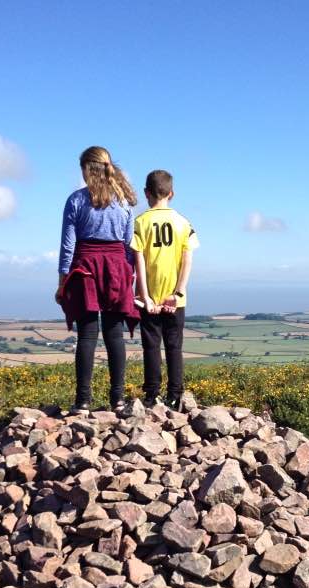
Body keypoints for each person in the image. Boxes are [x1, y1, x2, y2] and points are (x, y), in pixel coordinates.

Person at [56, 146, 139, 411]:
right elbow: (128, 245)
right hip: (117, 267)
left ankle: (82, 400)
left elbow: (68, 246)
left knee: (87, 336)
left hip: (85, 268)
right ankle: (118, 399)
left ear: (85, 169)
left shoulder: (76, 200)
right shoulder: (125, 202)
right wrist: (129, 275)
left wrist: (62, 281)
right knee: (114, 334)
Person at [131, 169, 198, 410]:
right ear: (172, 193)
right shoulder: (183, 222)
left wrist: (145, 296)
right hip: (175, 298)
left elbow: (138, 261)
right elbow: (187, 260)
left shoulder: (140, 222)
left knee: (151, 346)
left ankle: (151, 396)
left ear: (146, 193)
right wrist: (178, 292)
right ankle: (175, 394)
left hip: (150, 298)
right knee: (174, 346)